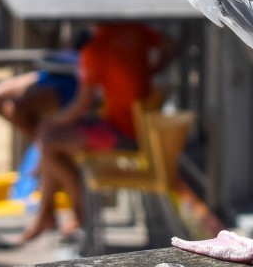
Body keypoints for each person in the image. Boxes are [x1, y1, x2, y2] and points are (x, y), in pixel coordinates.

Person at [18, 22, 175, 245]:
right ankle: (54, 214)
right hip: (136, 129)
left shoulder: (95, 49)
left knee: (49, 141)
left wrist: (51, 121)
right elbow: (172, 45)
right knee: (50, 141)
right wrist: (150, 70)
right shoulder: (135, 30)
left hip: (124, 135)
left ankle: (77, 211)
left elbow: (80, 105)